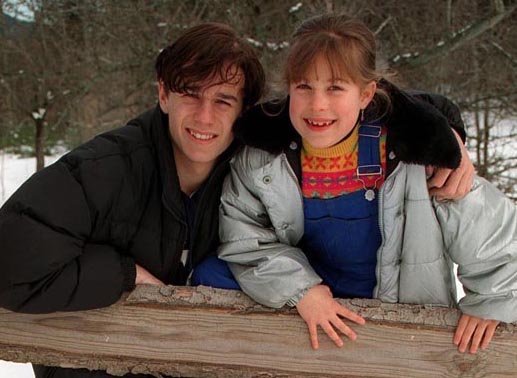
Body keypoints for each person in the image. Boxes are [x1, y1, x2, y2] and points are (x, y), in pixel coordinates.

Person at [192, 14, 517, 355]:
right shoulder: (262, 159)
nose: (318, 104)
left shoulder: (414, 155)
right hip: (312, 304)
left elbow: (493, 233)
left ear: (365, 95)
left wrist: (494, 298)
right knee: (210, 274)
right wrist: (301, 289)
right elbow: (244, 238)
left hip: (394, 316)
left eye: (335, 88)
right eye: (304, 87)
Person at [0, 22, 265, 378]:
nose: (205, 116)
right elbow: (9, 261)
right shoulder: (107, 169)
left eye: (222, 100)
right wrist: (125, 273)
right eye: (190, 93)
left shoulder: (255, 182)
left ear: (242, 110)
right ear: (163, 94)